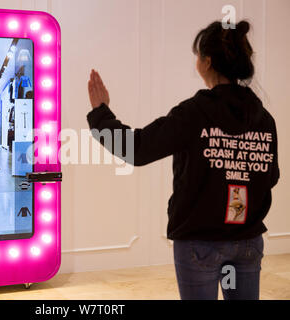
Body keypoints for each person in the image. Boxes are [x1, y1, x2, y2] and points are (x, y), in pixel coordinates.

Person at [86, 20, 280, 300]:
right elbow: (270, 177)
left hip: (200, 244)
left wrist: (101, 115)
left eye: (197, 56)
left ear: (207, 61)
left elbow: (137, 149)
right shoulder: (265, 119)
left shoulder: (194, 113)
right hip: (246, 241)